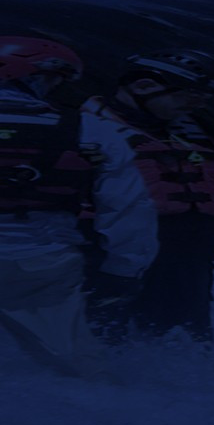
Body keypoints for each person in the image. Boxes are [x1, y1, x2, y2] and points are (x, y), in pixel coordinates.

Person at [0, 36, 157, 376]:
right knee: (67, 370)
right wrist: (124, 272)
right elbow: (128, 210)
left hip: (39, 258)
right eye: (55, 79)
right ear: (36, 76)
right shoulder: (91, 128)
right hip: (40, 260)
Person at [81, 49, 214, 345]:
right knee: (102, 341)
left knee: (186, 341)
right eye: (190, 95)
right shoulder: (82, 129)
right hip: (106, 255)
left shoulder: (201, 129)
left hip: (189, 255)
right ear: (144, 87)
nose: (198, 103)